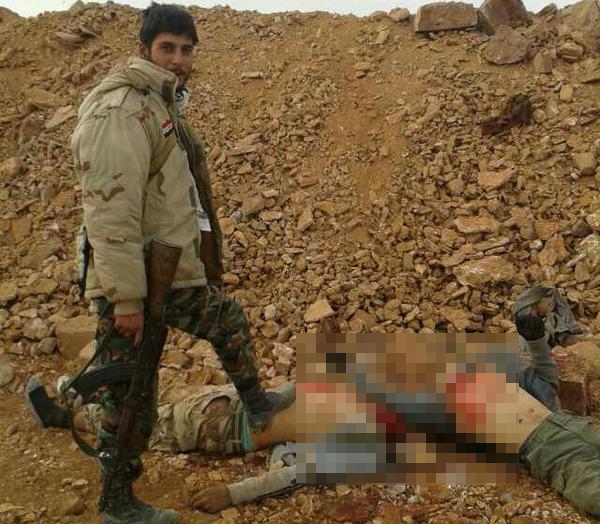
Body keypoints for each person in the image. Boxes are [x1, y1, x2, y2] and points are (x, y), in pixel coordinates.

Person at [69, 3, 290, 522]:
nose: (178, 59)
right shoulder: (121, 111)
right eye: (167, 48)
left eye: (186, 50)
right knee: (129, 399)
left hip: (167, 273)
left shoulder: (160, 105)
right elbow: (111, 209)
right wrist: (127, 298)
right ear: (143, 49)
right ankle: (116, 502)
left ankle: (256, 403)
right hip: (134, 282)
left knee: (226, 319)